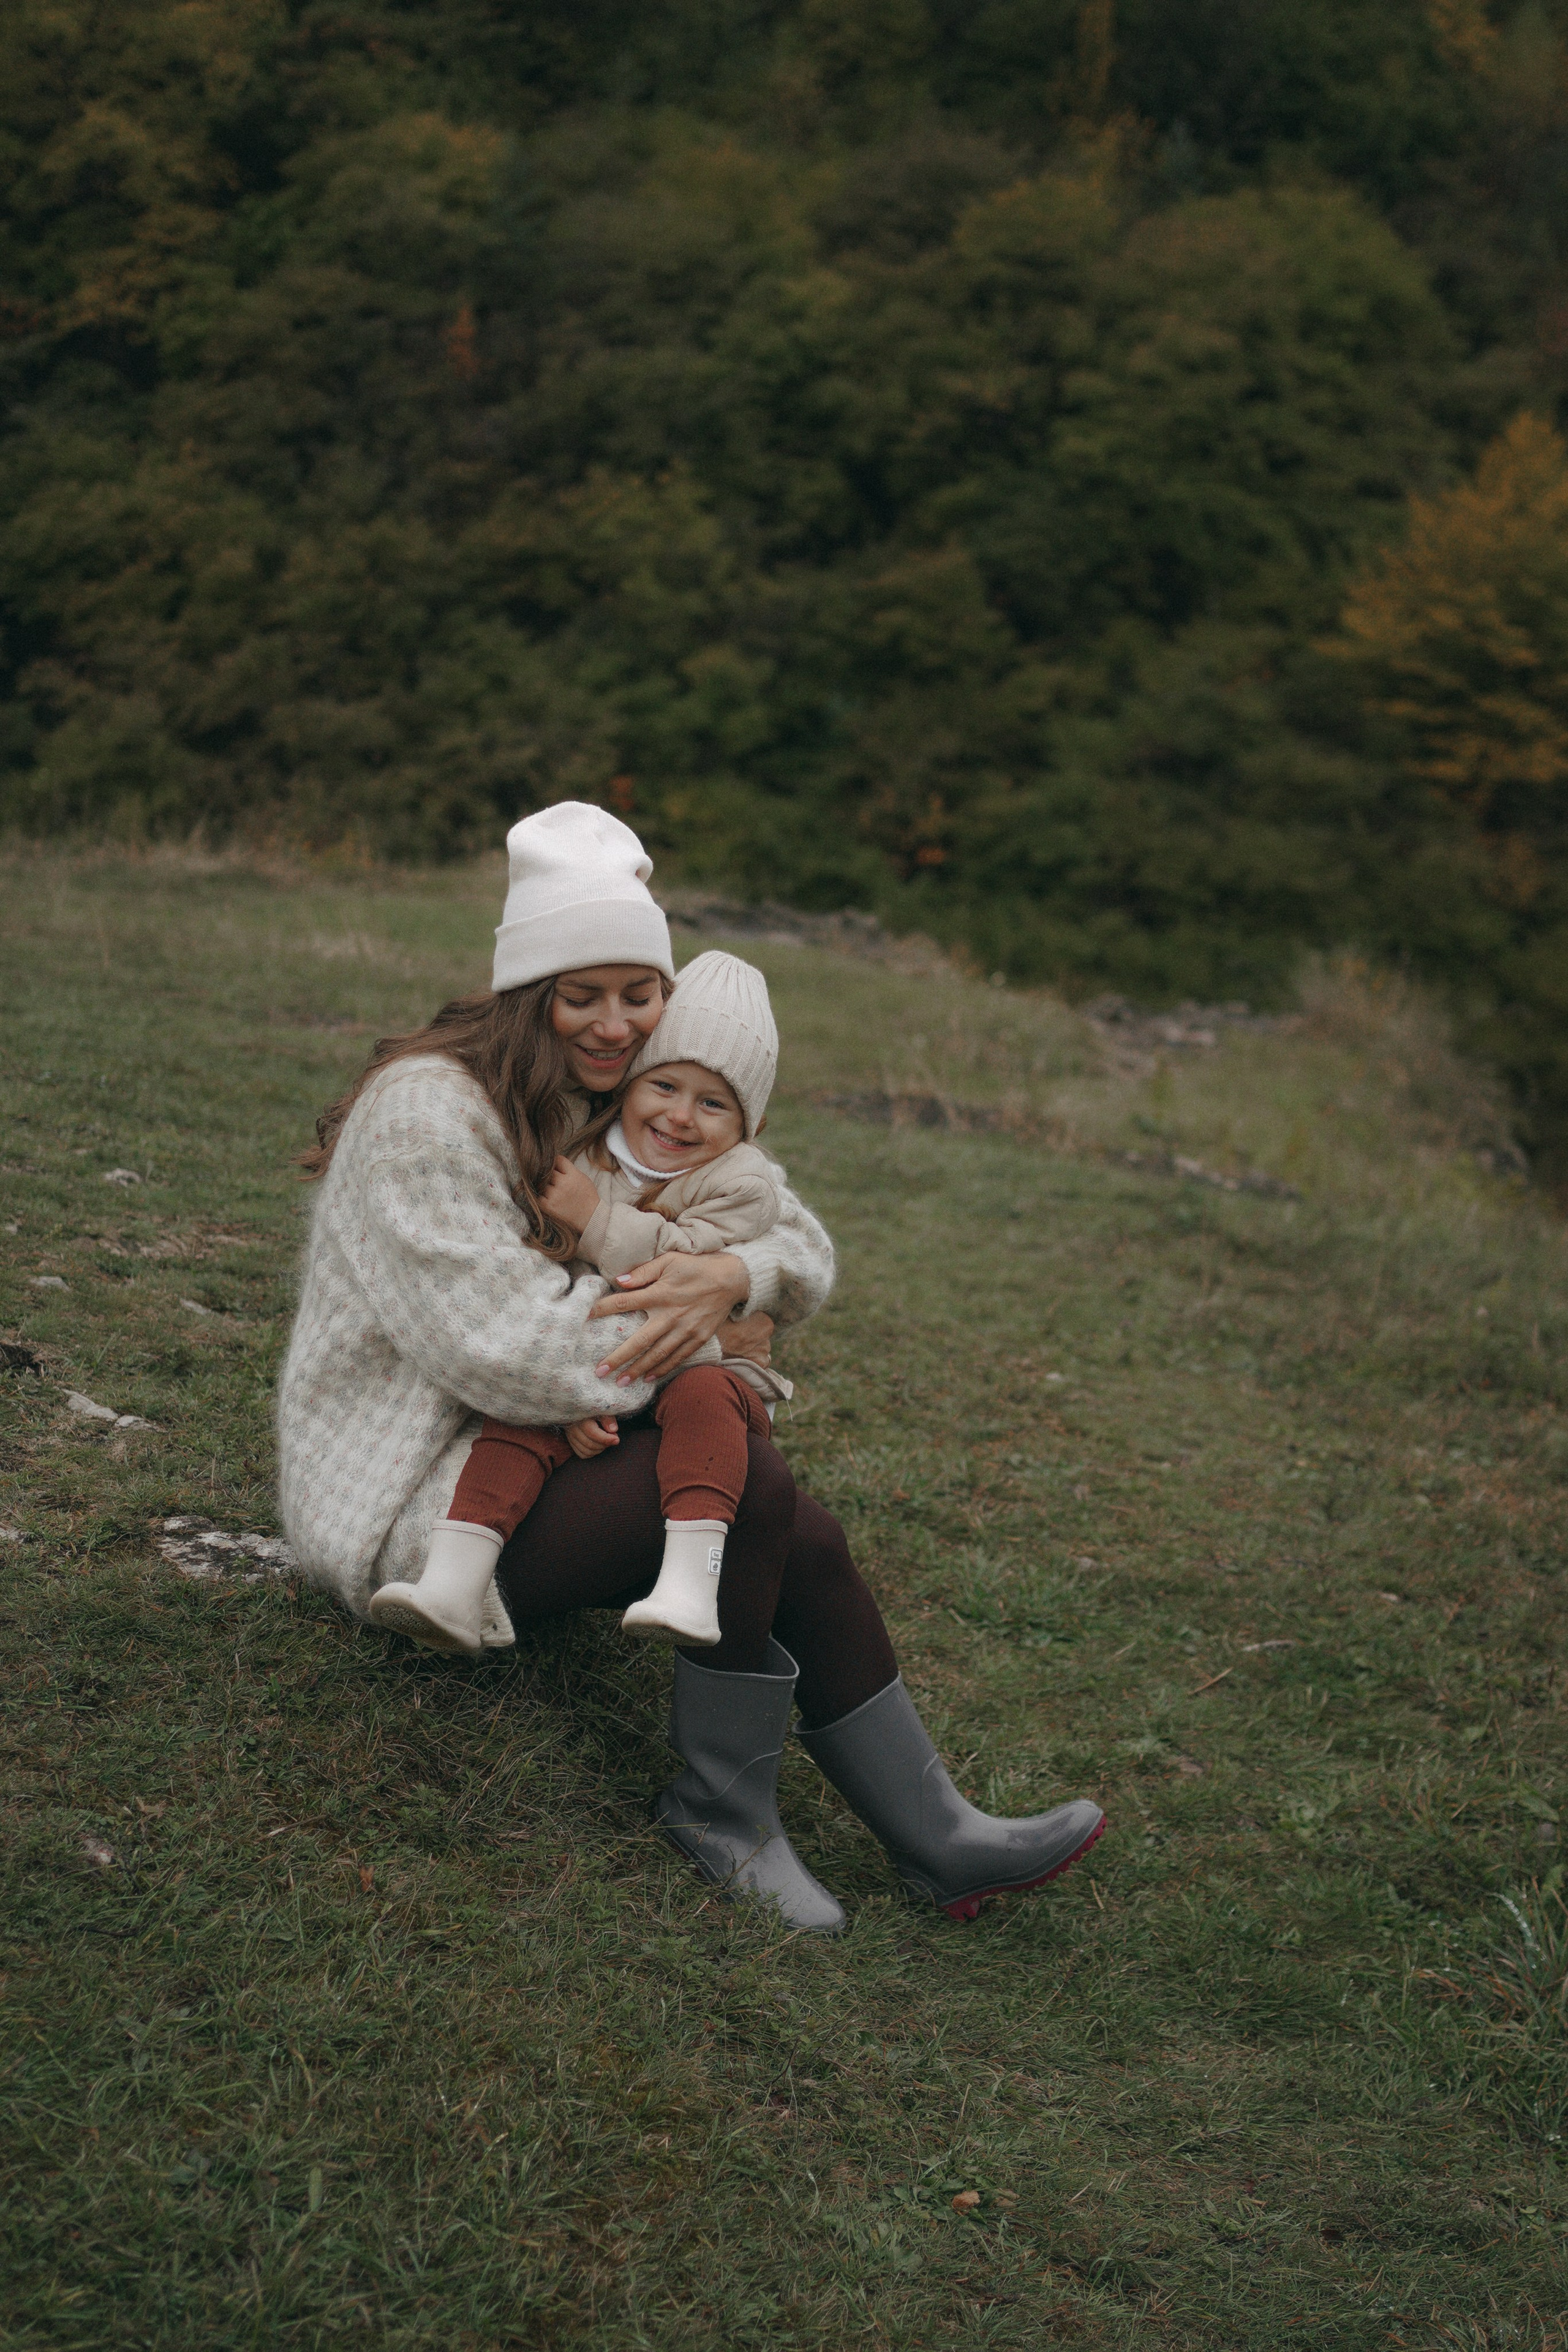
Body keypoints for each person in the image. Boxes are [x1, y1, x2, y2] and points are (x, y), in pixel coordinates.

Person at [277, 800, 1105, 1934]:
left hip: (552, 1439)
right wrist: (708, 1331)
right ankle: (723, 1815)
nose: (618, 1026)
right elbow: (505, 1346)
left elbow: (792, 1237)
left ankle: (941, 1838)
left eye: (640, 992)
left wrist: (732, 1276)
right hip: (421, 1501)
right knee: (752, 1483)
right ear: (532, 991)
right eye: (585, 994)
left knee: (795, 1527)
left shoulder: (622, 1088)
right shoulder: (433, 1111)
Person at [368, 948, 792, 1653]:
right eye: (664, 1086)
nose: (681, 1117)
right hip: (592, 1356)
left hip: (690, 1365)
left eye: (713, 1104)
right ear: (632, 1079)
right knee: (522, 1419)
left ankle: (690, 1583)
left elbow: (684, 1270)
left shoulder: (741, 1183)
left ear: (748, 1129)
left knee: (707, 1406)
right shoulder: (587, 1141)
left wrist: (594, 1218)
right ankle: (452, 1582)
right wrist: (575, 1392)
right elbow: (537, 1266)